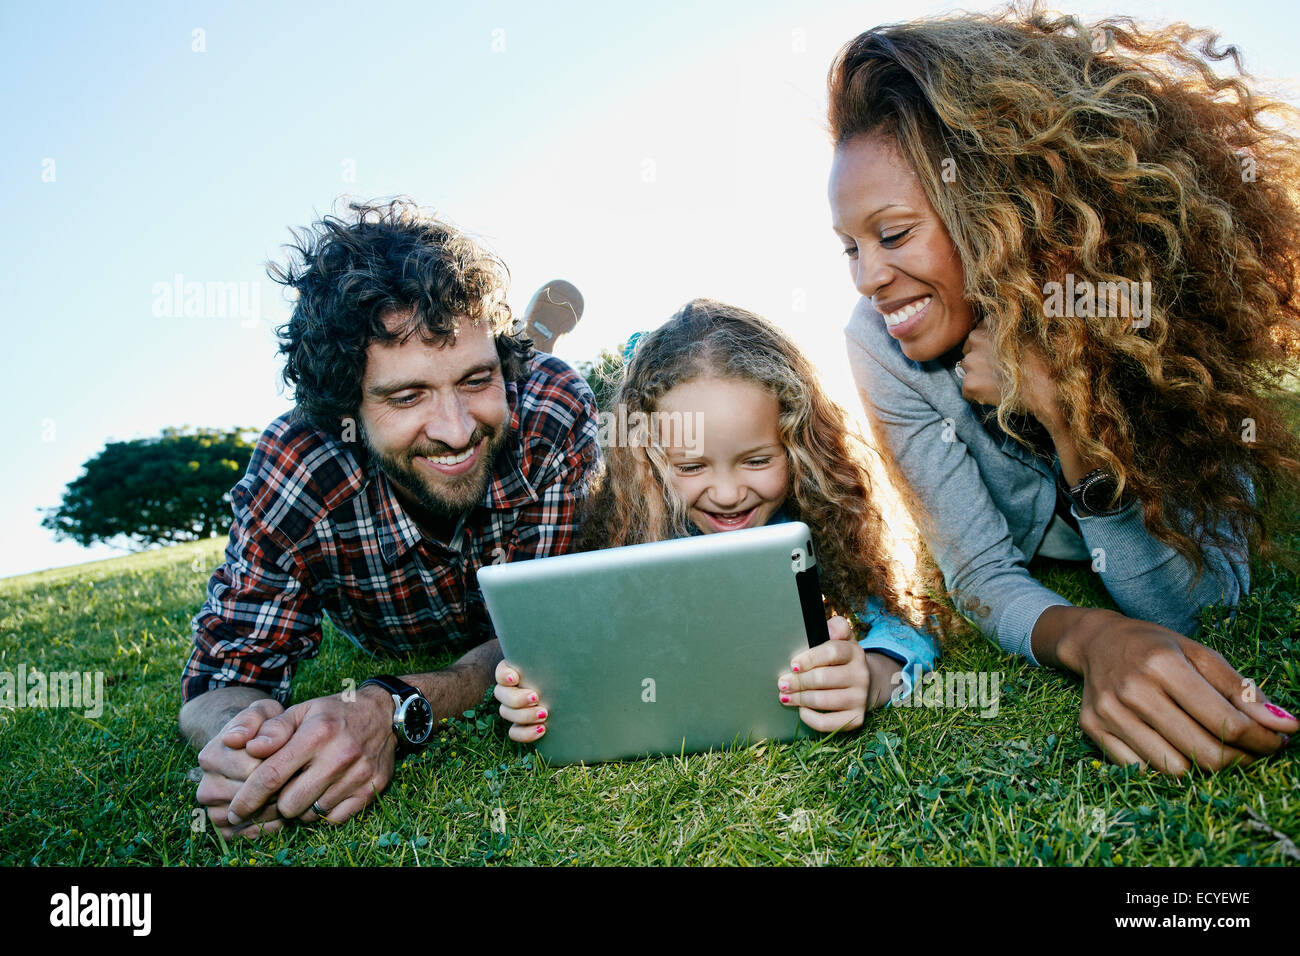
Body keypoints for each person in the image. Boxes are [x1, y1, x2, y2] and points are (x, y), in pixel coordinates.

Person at [825, 8, 1300, 774]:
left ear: (990, 210)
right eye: (850, 248)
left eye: (894, 234)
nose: (868, 277)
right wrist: (1093, 637)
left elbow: (1199, 602)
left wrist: (1062, 415)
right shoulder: (877, 340)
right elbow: (981, 576)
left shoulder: (1130, 306)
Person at [178, 199, 600, 838]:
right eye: (407, 396)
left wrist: (390, 704)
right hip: (393, 630)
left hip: (498, 563)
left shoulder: (548, 411)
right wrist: (252, 748)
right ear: (345, 405)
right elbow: (222, 679)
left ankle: (529, 338)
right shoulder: (300, 466)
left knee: (546, 370)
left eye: (476, 378)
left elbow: (548, 634)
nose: (456, 431)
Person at [494, 299, 947, 742]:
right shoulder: (630, 534)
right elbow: (577, 653)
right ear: (649, 463)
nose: (728, 495)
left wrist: (868, 675)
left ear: (798, 450)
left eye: (756, 460)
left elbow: (910, 621)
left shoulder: (808, 521)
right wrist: (533, 693)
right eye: (692, 467)